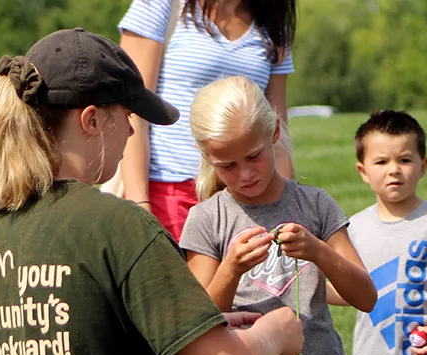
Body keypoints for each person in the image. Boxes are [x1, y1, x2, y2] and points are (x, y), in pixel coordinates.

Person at [0, 28, 304, 355]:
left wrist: (187, 330)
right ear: (90, 120)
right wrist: (277, 331)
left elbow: (74, 340)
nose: (133, 132)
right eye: (127, 115)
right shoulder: (116, 222)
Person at [179, 76, 376, 355]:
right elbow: (196, 325)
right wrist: (231, 268)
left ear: (274, 132)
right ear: (207, 157)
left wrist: (317, 251)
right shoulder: (206, 219)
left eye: (254, 156)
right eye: (227, 165)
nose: (245, 174)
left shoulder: (315, 204)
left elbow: (366, 297)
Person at [117, 0, 298, 241]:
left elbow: (277, 134)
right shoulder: (162, 5)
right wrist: (140, 206)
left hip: (245, 200)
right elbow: (132, 115)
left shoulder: (273, 26)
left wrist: (290, 210)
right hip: (168, 192)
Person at [339, 110, 427, 355]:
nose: (393, 170)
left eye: (404, 160)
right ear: (363, 171)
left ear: (423, 165)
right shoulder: (353, 228)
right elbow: (348, 289)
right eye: (381, 162)